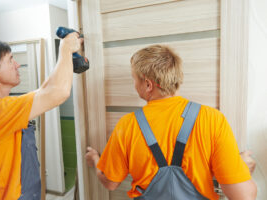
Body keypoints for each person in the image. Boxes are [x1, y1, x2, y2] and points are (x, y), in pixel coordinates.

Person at [85, 45, 257, 199]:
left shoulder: (127, 124)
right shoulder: (212, 119)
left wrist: (95, 160)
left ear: (148, 84)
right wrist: (239, 166)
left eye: (134, 79)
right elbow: (243, 195)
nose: (134, 84)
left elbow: (110, 183)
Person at [0, 33, 81, 200]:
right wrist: (66, 49)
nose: (17, 65)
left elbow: (44, 91)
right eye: (10, 60)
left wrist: (65, 58)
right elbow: (58, 92)